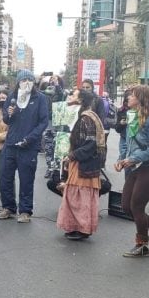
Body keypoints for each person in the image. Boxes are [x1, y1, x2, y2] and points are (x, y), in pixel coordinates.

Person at [114, 85, 149, 257]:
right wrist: (121, 159)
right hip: (135, 167)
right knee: (126, 206)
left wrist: (134, 158)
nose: (128, 98)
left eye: (131, 95)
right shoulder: (132, 117)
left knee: (136, 206)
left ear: (141, 99)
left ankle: (142, 244)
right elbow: (126, 142)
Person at [0, 70, 50, 222]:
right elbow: (6, 120)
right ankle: (8, 207)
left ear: (34, 82)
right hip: (11, 144)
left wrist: (30, 138)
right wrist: (9, 113)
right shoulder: (12, 97)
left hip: (28, 146)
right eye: (23, 80)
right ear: (18, 82)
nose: (26, 82)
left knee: (26, 179)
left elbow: (43, 122)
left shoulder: (40, 98)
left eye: (29, 80)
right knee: (6, 177)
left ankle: (25, 211)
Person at [56, 88, 106, 240]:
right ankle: (76, 227)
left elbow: (90, 144)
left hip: (85, 164)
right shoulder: (84, 116)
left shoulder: (86, 118)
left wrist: (72, 155)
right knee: (76, 197)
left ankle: (83, 229)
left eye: (73, 95)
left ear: (81, 100)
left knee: (80, 198)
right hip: (83, 162)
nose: (69, 96)